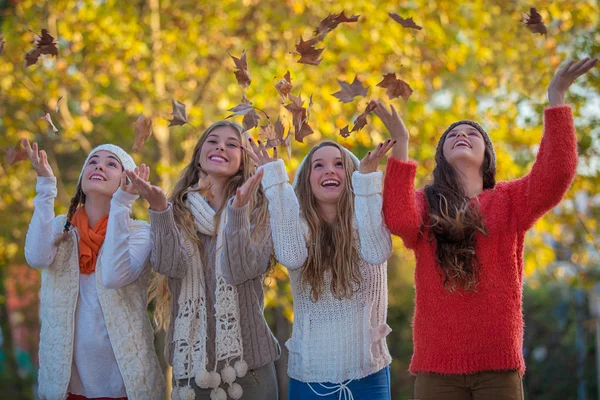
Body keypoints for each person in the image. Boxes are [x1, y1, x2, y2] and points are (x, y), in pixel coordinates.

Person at [379, 57, 598, 399]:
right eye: (453, 135)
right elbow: (399, 219)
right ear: (441, 158)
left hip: (499, 368)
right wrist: (401, 146)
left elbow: (555, 175)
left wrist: (557, 97)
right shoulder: (425, 203)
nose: (461, 135)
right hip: (437, 371)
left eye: (471, 133)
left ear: (487, 157)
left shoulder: (511, 201)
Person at [127, 121, 280, 399]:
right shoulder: (177, 211)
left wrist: (237, 213)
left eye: (232, 144)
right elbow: (169, 266)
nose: (221, 146)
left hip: (250, 371)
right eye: (213, 141)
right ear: (199, 155)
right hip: (192, 372)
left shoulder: (259, 210)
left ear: (243, 159)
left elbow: (240, 270)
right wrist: (160, 210)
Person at [244, 138, 394, 399]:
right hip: (310, 379)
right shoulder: (296, 227)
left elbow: (377, 252)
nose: (330, 170)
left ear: (351, 176)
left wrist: (368, 182)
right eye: (319, 165)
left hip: (369, 375)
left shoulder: (368, 218)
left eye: (339, 164)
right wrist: (277, 183)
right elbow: (290, 257)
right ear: (307, 179)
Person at [23, 139, 165, 399]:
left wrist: (122, 203)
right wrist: (45, 188)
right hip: (66, 387)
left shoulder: (140, 233)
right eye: (93, 161)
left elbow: (113, 276)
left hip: (126, 387)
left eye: (112, 164)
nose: (99, 166)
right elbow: (36, 257)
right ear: (81, 180)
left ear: (127, 181)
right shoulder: (61, 228)